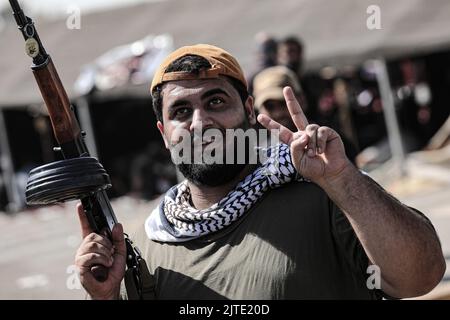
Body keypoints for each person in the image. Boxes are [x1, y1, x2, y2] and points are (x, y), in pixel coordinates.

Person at [75, 44, 445, 300]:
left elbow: (422, 276)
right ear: (164, 133)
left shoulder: (323, 197)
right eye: (181, 112)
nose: (201, 123)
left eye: (215, 101)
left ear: (249, 111)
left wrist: (344, 181)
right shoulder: (145, 246)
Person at [253, 65, 306, 132]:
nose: (278, 113)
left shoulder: (320, 136)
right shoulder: (253, 141)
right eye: (269, 107)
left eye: (283, 103)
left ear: (301, 99)